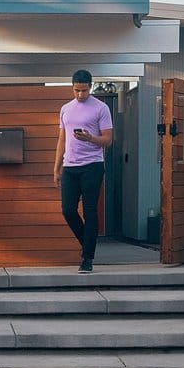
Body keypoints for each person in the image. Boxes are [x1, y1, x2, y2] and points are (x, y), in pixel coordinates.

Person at [53, 69, 113, 273]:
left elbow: (108, 140)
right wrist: (56, 167)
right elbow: (62, 140)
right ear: (72, 87)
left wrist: (90, 138)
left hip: (92, 166)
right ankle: (87, 243)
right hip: (70, 166)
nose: (80, 94)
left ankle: (87, 258)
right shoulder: (65, 109)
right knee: (67, 210)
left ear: (91, 87)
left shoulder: (101, 108)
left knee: (90, 211)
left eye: (84, 90)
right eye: (76, 90)